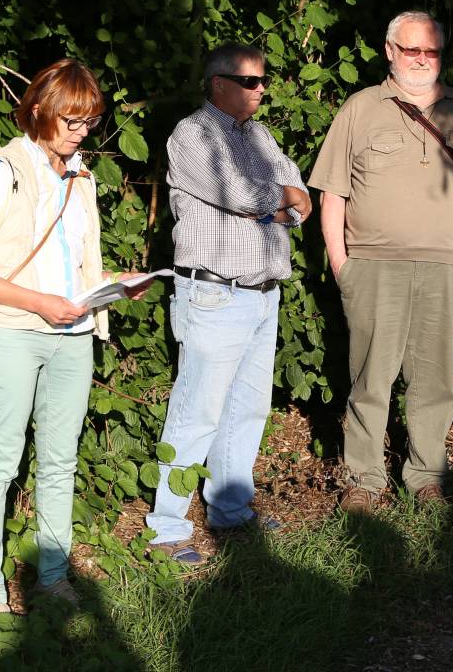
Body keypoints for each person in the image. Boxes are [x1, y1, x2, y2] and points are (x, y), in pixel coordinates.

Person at [0, 59, 148, 626]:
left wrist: (112, 291)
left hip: (74, 337)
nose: (81, 130)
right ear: (39, 110)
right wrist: (38, 304)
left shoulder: (82, 176)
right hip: (12, 334)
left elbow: (79, 271)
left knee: (60, 462)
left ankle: (55, 579)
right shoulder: (6, 169)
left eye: (88, 121)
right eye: (71, 119)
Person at [310, 12, 453, 513]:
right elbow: (332, 195)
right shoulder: (360, 108)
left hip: (444, 266)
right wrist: (342, 265)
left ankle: (426, 477)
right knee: (370, 378)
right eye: (412, 49)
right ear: (390, 51)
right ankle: (364, 479)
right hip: (373, 264)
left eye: (431, 51)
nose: (422, 59)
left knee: (435, 380)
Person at [144, 44, 310, 565]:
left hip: (263, 294)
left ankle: (231, 511)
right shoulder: (191, 135)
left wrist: (280, 201)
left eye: (264, 81)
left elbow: (299, 195)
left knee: (247, 409)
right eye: (251, 81)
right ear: (219, 83)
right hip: (214, 293)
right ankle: (167, 529)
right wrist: (274, 200)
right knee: (198, 412)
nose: (262, 89)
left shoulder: (259, 135)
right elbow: (242, 193)